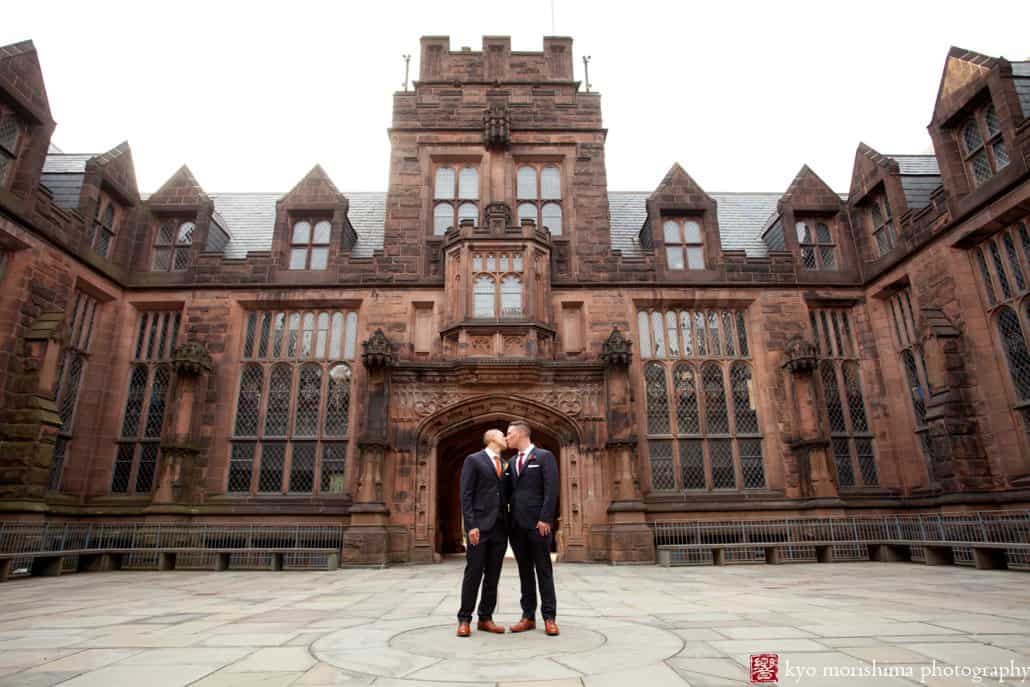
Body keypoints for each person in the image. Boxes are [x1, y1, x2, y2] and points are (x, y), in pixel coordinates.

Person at [505, 420, 560, 636]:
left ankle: (549, 618)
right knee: (524, 572)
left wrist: (546, 518)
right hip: (517, 526)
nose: (506, 437)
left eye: (509, 434)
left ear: (520, 435)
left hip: (539, 525)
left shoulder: (544, 457)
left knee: (544, 570)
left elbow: (551, 489)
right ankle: (527, 616)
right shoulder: (510, 462)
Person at [456, 428, 510, 637]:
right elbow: (466, 494)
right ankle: (464, 618)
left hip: (500, 527)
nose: (506, 438)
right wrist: (471, 526)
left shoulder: (505, 464)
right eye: (502, 435)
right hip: (479, 526)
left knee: (493, 575)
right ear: (492, 439)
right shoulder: (474, 460)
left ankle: (486, 618)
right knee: (474, 572)